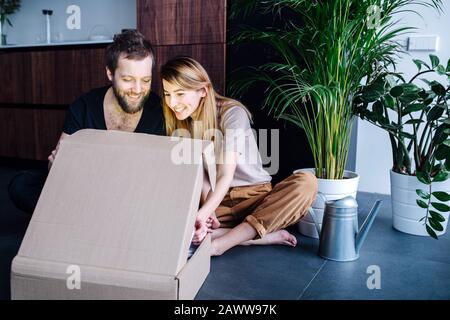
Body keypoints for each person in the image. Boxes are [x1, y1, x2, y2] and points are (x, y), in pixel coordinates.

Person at [160, 56, 318, 256]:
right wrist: (209, 211)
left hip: (255, 197)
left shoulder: (232, 113)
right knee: (165, 225)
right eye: (167, 94)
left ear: (203, 90)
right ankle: (257, 237)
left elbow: (227, 173)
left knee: (306, 183)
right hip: (219, 203)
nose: (173, 103)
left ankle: (219, 244)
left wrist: (205, 212)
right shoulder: (182, 125)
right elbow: (203, 179)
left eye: (180, 94)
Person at [8, 30, 165, 215]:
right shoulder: (84, 106)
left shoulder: (159, 111)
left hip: (132, 189)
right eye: (128, 80)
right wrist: (57, 164)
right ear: (110, 73)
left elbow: (157, 175)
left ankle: (84, 214)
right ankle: (92, 212)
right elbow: (59, 165)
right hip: (85, 187)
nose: (137, 90)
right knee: (21, 185)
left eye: (145, 80)